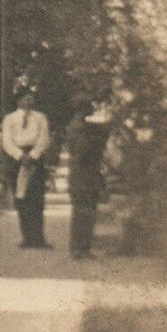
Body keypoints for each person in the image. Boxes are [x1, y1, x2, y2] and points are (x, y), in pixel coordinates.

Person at [1, 90, 52, 248]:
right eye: (25, 99)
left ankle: (38, 238)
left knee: (36, 199)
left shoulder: (40, 118)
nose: (29, 102)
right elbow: (7, 141)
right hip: (16, 160)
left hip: (35, 159)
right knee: (21, 199)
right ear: (18, 101)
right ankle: (27, 238)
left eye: (31, 99)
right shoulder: (9, 119)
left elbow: (44, 139)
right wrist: (19, 155)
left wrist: (33, 155)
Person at [65, 98, 111, 259]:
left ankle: (79, 248)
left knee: (81, 212)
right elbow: (86, 150)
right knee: (85, 212)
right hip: (84, 175)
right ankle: (80, 249)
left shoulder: (77, 127)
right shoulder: (82, 130)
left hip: (80, 175)